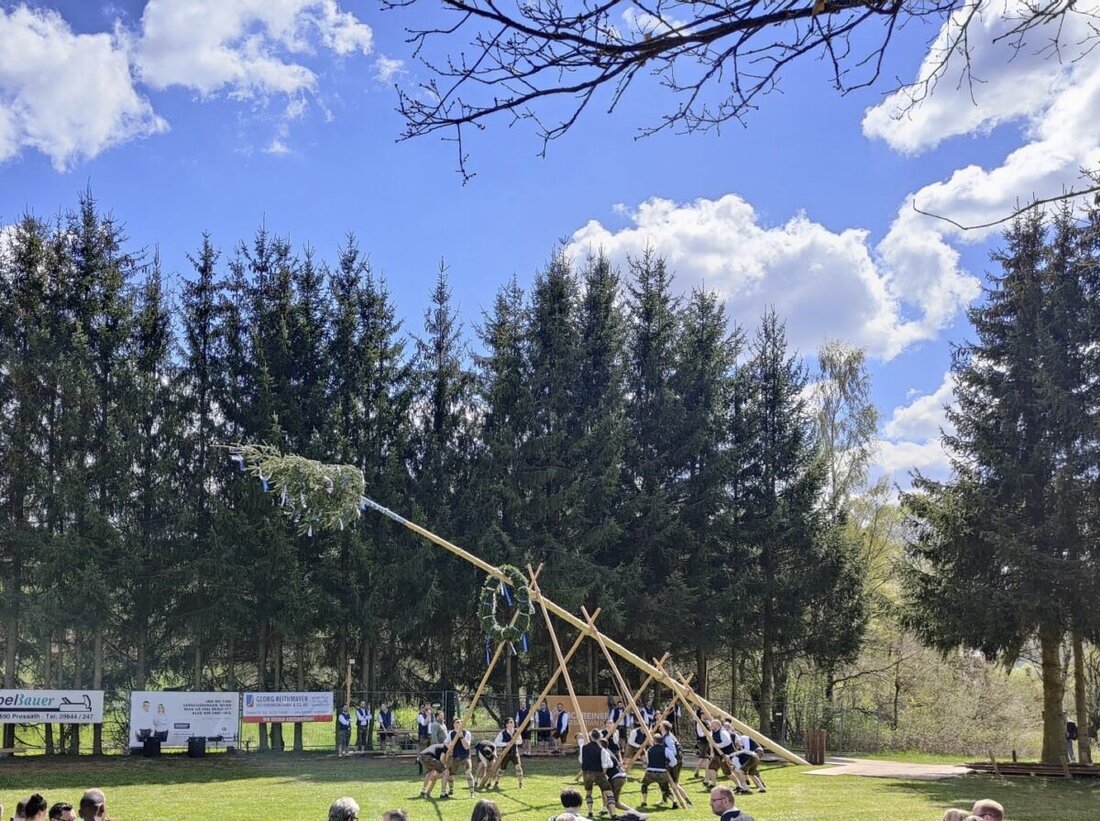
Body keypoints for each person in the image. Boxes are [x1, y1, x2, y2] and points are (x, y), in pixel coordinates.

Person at [578, 731, 617, 818]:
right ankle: (613, 814)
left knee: (589, 792)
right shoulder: (602, 750)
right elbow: (605, 764)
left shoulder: (583, 747)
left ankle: (590, 812)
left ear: (590, 737)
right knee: (609, 792)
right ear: (599, 738)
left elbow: (581, 760)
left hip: (586, 772)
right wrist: (603, 774)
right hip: (598, 772)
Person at [639, 731, 673, 807]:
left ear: (654, 741)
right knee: (665, 789)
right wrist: (668, 765)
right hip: (662, 772)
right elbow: (674, 761)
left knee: (644, 785)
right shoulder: (666, 750)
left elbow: (647, 761)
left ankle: (644, 801)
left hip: (650, 771)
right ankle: (674, 801)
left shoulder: (649, 750)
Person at [490, 717, 524, 788]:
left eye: (513, 722)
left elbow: (520, 741)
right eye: (510, 722)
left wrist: (514, 742)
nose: (512, 723)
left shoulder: (517, 731)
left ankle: (520, 783)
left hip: (514, 752)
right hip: (505, 753)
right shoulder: (502, 733)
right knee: (502, 769)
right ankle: (497, 781)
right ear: (507, 724)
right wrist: (506, 744)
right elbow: (496, 742)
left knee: (518, 767)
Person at [444, 718, 476, 797]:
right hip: (455, 757)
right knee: (450, 774)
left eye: (461, 722)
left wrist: (461, 737)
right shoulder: (451, 733)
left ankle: (472, 793)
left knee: (468, 772)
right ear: (454, 724)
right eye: (457, 722)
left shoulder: (467, 733)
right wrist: (450, 747)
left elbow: (466, 746)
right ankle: (451, 790)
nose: (459, 723)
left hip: (465, 757)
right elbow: (445, 742)